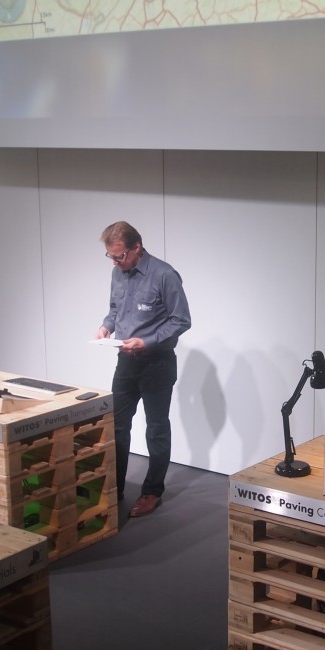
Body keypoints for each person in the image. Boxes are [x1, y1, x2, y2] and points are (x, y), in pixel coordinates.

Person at [96, 221, 191, 518]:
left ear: (136, 247)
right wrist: (106, 326)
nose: (115, 262)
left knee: (156, 428)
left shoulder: (164, 275)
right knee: (116, 426)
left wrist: (145, 342)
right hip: (125, 362)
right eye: (111, 256)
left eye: (120, 255)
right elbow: (115, 309)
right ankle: (115, 489)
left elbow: (181, 320)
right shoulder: (117, 272)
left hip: (157, 364)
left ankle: (152, 492)